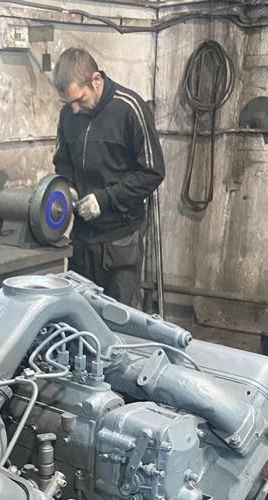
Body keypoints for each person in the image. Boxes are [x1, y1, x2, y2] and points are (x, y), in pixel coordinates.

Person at [52, 47, 165, 308]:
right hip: (82, 238)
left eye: (80, 100)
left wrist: (104, 199)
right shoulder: (68, 114)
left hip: (120, 239)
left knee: (120, 316)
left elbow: (152, 172)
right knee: (80, 314)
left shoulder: (129, 108)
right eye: (68, 103)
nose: (75, 109)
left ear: (96, 80)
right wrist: (68, 186)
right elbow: (63, 161)